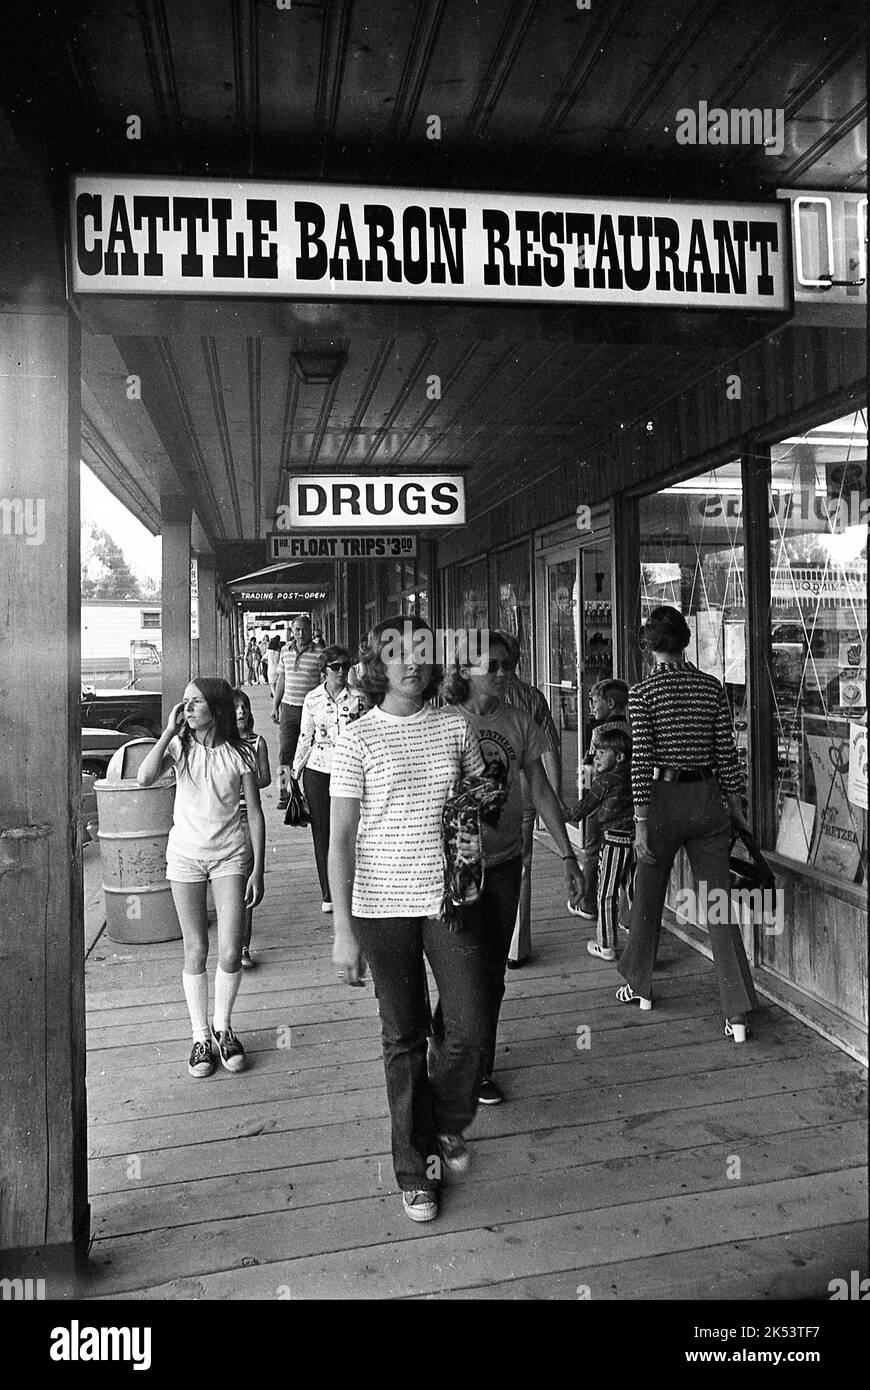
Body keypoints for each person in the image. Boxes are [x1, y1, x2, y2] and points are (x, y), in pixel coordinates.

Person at [328, 615, 490, 1224]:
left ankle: (447, 1119)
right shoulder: (357, 736)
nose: (413, 663)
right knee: (403, 1035)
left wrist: (475, 832)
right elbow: (340, 835)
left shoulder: (455, 726)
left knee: (469, 1023)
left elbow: (479, 799)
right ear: (378, 664)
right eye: (399, 654)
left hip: (448, 898)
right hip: (380, 905)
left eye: (423, 651)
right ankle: (414, 1166)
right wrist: (342, 928)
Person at [442, 630, 585, 1106]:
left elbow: (541, 791)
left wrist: (568, 855)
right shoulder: (441, 722)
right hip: (453, 868)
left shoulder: (519, 721)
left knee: (492, 973)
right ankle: (448, 1054)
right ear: (464, 669)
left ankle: (479, 1066)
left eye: (510, 665)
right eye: (494, 666)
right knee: (462, 967)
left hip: (504, 862)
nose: (505, 674)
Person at [616, 606, 759, 1041]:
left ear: (649, 647)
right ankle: (736, 1013)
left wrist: (640, 823)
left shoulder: (642, 695)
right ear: (686, 641)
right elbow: (727, 755)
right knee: (718, 905)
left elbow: (640, 764)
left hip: (660, 804)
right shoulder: (711, 688)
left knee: (648, 895)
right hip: (706, 800)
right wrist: (735, 807)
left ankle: (639, 985)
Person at [137, 678, 265, 1077]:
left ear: (216, 708)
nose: (187, 708)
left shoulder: (238, 753)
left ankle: (224, 1027)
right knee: (196, 949)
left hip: (229, 855)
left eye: (195, 703)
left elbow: (256, 812)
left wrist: (259, 867)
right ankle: (200, 1037)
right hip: (186, 858)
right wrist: (169, 732)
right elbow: (144, 777)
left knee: (230, 950)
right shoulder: (179, 747)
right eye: (185, 703)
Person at [497, 630, 562, 968]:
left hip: (488, 790)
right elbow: (550, 748)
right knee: (521, 864)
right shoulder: (533, 697)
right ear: (519, 660)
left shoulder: (476, 696)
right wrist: (554, 794)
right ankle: (515, 947)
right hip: (524, 788)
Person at [291, 645, 365, 915]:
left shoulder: (358, 698)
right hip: (319, 770)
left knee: (352, 828)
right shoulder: (312, 699)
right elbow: (305, 736)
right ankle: (329, 891)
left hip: (350, 771)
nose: (342, 671)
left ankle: (355, 886)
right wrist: (294, 772)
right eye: (335, 667)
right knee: (322, 831)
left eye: (346, 666)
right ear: (324, 670)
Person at [567, 724, 634, 961]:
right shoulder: (632, 773)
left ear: (619, 756)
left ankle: (605, 943)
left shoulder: (605, 779)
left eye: (601, 753)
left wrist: (564, 814)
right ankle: (640, 943)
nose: (596, 756)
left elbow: (586, 805)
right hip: (635, 840)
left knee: (606, 893)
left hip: (614, 840)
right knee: (634, 891)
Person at [573, 679, 631, 920]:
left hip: (602, 800)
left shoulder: (599, 732)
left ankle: (588, 902)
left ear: (609, 703)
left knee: (593, 848)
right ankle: (627, 914)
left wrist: (584, 795)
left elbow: (588, 767)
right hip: (628, 801)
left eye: (594, 702)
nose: (591, 707)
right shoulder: (632, 729)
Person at [233, 688, 272, 967]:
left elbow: (266, 778)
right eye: (235, 708)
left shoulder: (258, 742)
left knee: (246, 878)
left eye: (244, 707)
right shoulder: (223, 744)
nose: (241, 712)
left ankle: (243, 947)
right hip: (224, 817)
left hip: (247, 815)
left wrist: (247, 783)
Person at [271, 616, 322, 810]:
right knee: (286, 753)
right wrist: (276, 704)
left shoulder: (320, 653)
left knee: (310, 755)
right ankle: (284, 794)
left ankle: (309, 796)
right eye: (297, 630)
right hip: (288, 709)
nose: (300, 634)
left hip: (311, 712)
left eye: (304, 630)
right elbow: (282, 679)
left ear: (311, 630)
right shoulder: (285, 650)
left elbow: (323, 682)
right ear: (293, 631)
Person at [265, 634, 284, 698]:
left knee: (273, 687)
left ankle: (276, 702)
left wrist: (268, 662)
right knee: (279, 688)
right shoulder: (279, 652)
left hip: (271, 671)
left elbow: (262, 659)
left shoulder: (268, 652)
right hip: (278, 670)